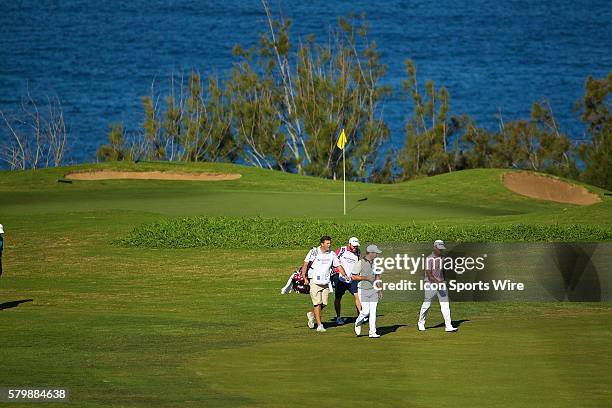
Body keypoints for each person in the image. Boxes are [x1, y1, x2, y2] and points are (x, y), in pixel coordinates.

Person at [301, 236, 348, 332]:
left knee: (324, 303)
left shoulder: (332, 254)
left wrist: (344, 275)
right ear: (322, 244)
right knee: (317, 303)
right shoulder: (314, 252)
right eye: (327, 243)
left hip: (326, 281)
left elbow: (338, 265)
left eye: (330, 243)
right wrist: (304, 277)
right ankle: (319, 325)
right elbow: (305, 264)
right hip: (314, 280)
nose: (329, 245)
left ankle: (311, 314)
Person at [418, 240, 458, 332]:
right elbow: (429, 274)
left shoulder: (443, 258)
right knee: (427, 305)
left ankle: (448, 326)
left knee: (445, 305)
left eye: (442, 249)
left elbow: (442, 271)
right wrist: (437, 282)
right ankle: (421, 323)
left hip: (441, 283)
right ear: (435, 247)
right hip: (430, 284)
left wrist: (444, 281)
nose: (441, 250)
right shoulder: (429, 258)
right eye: (439, 248)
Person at [354, 244, 383, 338]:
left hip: (373, 290)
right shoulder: (360, 263)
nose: (377, 255)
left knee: (373, 311)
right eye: (376, 253)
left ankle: (372, 332)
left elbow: (378, 277)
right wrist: (366, 278)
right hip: (363, 290)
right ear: (371, 253)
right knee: (366, 311)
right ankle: (357, 323)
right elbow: (353, 276)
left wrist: (379, 290)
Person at [332, 237, 361, 325]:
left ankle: (360, 316)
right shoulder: (342, 250)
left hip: (352, 278)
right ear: (349, 244)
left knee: (357, 296)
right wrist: (337, 273)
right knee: (338, 297)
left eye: (356, 246)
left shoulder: (358, 252)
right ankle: (338, 317)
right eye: (354, 246)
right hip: (340, 278)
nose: (355, 247)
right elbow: (334, 261)